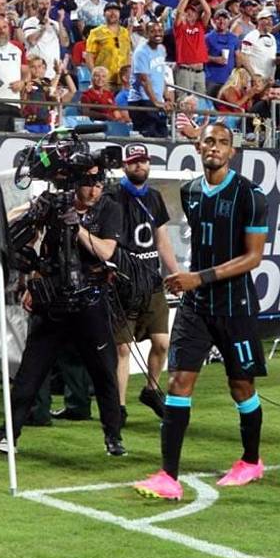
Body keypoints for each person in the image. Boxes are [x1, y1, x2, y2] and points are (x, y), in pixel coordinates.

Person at [134, 123, 269, 501]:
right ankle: (168, 475)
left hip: (235, 306)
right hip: (197, 306)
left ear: (232, 152)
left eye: (223, 143)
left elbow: (253, 257)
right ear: (198, 146)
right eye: (209, 141)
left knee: (241, 386)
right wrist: (186, 278)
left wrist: (199, 277)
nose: (215, 147)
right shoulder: (190, 190)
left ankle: (251, 461)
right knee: (179, 381)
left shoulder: (251, 195)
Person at [0, 164, 129, 457]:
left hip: (90, 302)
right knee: (30, 372)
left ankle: (113, 436)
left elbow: (107, 252)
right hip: (53, 303)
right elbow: (10, 227)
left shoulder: (109, 208)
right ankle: (8, 434)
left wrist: (78, 228)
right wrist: (34, 209)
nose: (93, 191)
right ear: (75, 184)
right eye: (87, 184)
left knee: (103, 372)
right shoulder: (54, 205)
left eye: (98, 184)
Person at [107, 144, 181, 424]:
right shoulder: (112, 196)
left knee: (162, 342)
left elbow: (162, 240)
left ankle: (151, 389)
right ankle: (119, 407)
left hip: (151, 281)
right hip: (124, 282)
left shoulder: (154, 197)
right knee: (122, 348)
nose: (140, 166)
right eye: (134, 162)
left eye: (144, 161)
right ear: (124, 165)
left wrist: (175, 273)